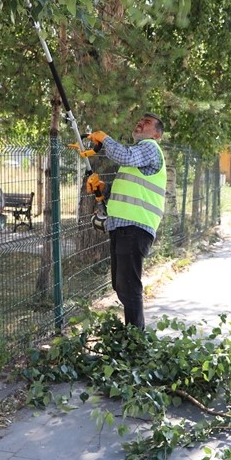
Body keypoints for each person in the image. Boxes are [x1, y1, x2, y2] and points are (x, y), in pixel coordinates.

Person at [82, 113, 166, 329]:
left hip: (135, 227)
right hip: (123, 227)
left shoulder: (149, 147)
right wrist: (103, 189)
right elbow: (127, 192)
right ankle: (133, 339)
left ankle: (136, 345)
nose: (140, 123)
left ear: (156, 135)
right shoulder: (137, 157)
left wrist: (105, 139)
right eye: (140, 120)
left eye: (146, 123)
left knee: (128, 287)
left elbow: (125, 156)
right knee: (121, 285)